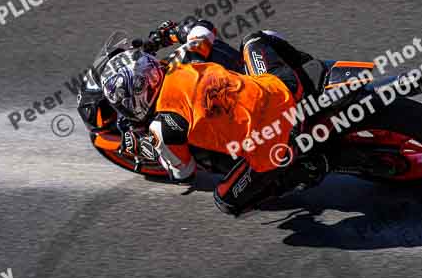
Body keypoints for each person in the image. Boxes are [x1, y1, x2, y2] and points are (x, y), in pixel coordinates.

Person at [101, 20, 329, 216]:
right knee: (256, 39)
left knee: (225, 201)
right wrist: (170, 34)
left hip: (274, 143)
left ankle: (300, 172)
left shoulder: (163, 126)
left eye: (122, 102)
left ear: (137, 95)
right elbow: (204, 28)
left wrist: (152, 147)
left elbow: (184, 173)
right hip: (284, 86)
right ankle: (311, 68)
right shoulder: (186, 58)